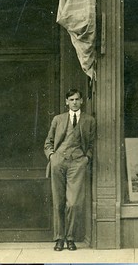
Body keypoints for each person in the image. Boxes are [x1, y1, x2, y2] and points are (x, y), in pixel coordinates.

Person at [43, 87, 96, 252]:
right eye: (71, 99)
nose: (74, 102)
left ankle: (70, 237)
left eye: (77, 99)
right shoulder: (58, 120)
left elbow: (93, 144)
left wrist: (86, 158)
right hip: (58, 162)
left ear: (81, 101)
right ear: (67, 102)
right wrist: (52, 156)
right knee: (58, 201)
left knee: (73, 203)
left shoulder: (89, 120)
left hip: (77, 164)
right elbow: (48, 142)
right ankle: (59, 238)